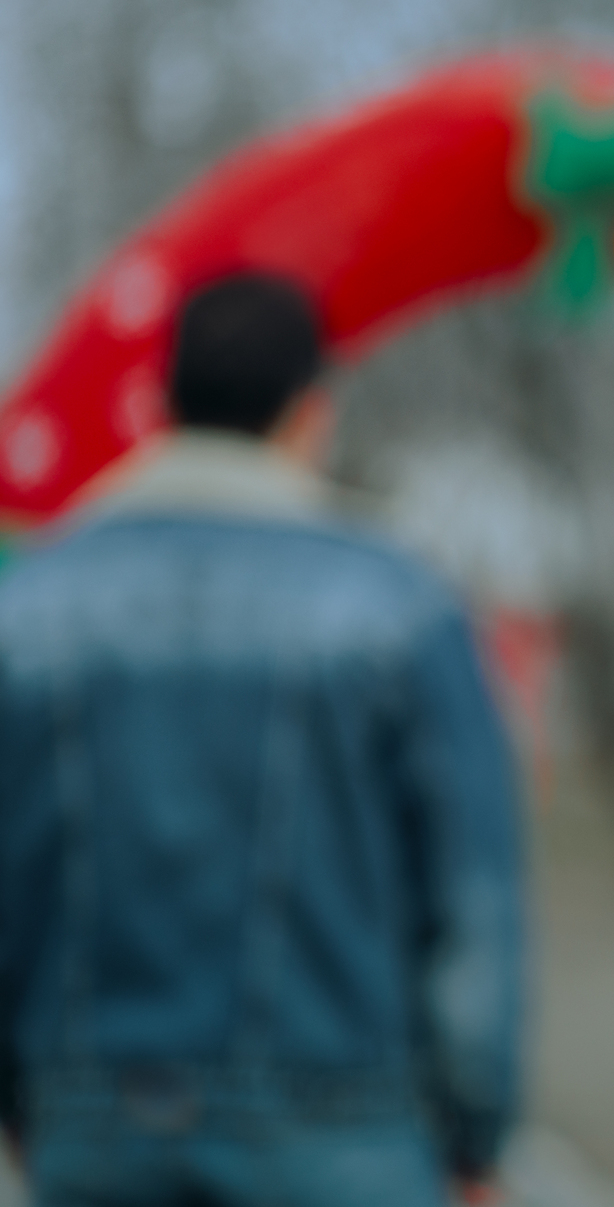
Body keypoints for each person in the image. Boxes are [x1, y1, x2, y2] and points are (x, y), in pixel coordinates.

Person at [0, 273, 526, 1205]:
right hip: (349, 1134)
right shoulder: (402, 609)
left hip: (93, 1129)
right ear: (309, 415)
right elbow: (472, 896)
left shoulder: (28, 609)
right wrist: (477, 1130)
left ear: (163, 408)